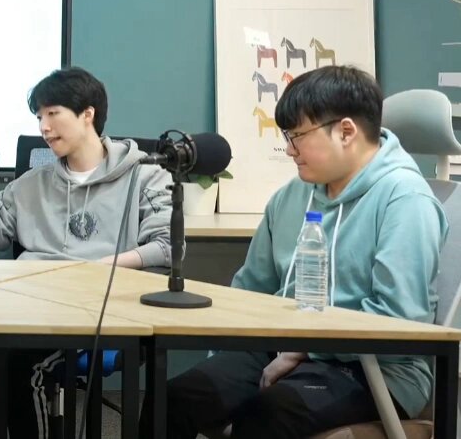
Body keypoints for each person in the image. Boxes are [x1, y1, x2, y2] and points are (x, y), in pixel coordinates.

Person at [145, 65, 447, 439]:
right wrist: (225, 358)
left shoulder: (405, 200)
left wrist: (305, 349)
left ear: (346, 132)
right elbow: (251, 289)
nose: (289, 149)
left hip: (377, 368)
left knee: (267, 416)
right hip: (284, 346)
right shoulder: (291, 196)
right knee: (174, 399)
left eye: (297, 136)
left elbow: (397, 321)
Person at [0, 66, 173, 439]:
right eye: (39, 116)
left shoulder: (145, 175)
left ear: (87, 114)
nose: (44, 126)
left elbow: (166, 246)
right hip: (25, 307)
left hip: (95, 312)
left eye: (53, 113)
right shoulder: (31, 184)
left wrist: (99, 268)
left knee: (20, 364)